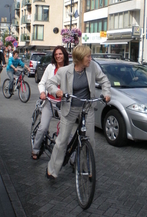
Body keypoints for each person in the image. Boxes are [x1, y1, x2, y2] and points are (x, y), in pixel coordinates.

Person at [45, 45, 111, 179]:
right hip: (70, 108)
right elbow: (49, 84)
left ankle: (85, 168)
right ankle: (52, 170)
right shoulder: (64, 71)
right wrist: (57, 91)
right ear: (80, 58)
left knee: (90, 140)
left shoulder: (92, 67)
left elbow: (104, 80)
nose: (90, 59)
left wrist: (106, 93)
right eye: (88, 56)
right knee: (62, 140)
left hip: (87, 107)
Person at [31, 46, 69, 160]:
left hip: (62, 104)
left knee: (67, 130)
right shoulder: (50, 67)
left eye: (60, 54)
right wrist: (42, 93)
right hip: (49, 101)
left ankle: (72, 157)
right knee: (43, 128)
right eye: (56, 54)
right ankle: (36, 149)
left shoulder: (69, 69)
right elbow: (42, 83)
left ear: (64, 55)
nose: (58, 56)